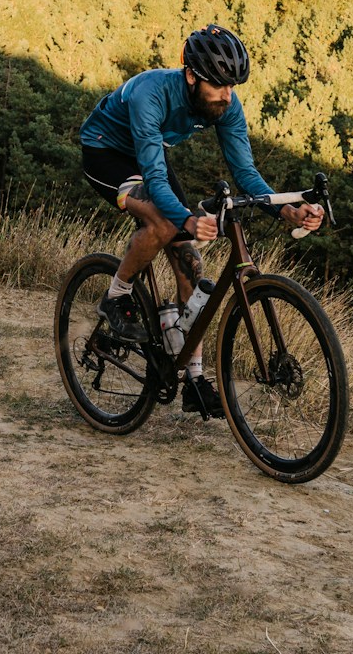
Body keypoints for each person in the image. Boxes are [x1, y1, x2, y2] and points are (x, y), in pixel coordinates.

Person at [79, 23, 324, 416]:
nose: (227, 95)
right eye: (219, 85)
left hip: (150, 154)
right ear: (191, 76)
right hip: (106, 152)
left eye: (233, 85)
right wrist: (187, 221)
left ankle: (194, 377)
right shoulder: (151, 94)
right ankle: (116, 297)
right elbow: (156, 179)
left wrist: (288, 210)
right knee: (163, 225)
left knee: (190, 261)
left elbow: (246, 174)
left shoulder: (226, 102)